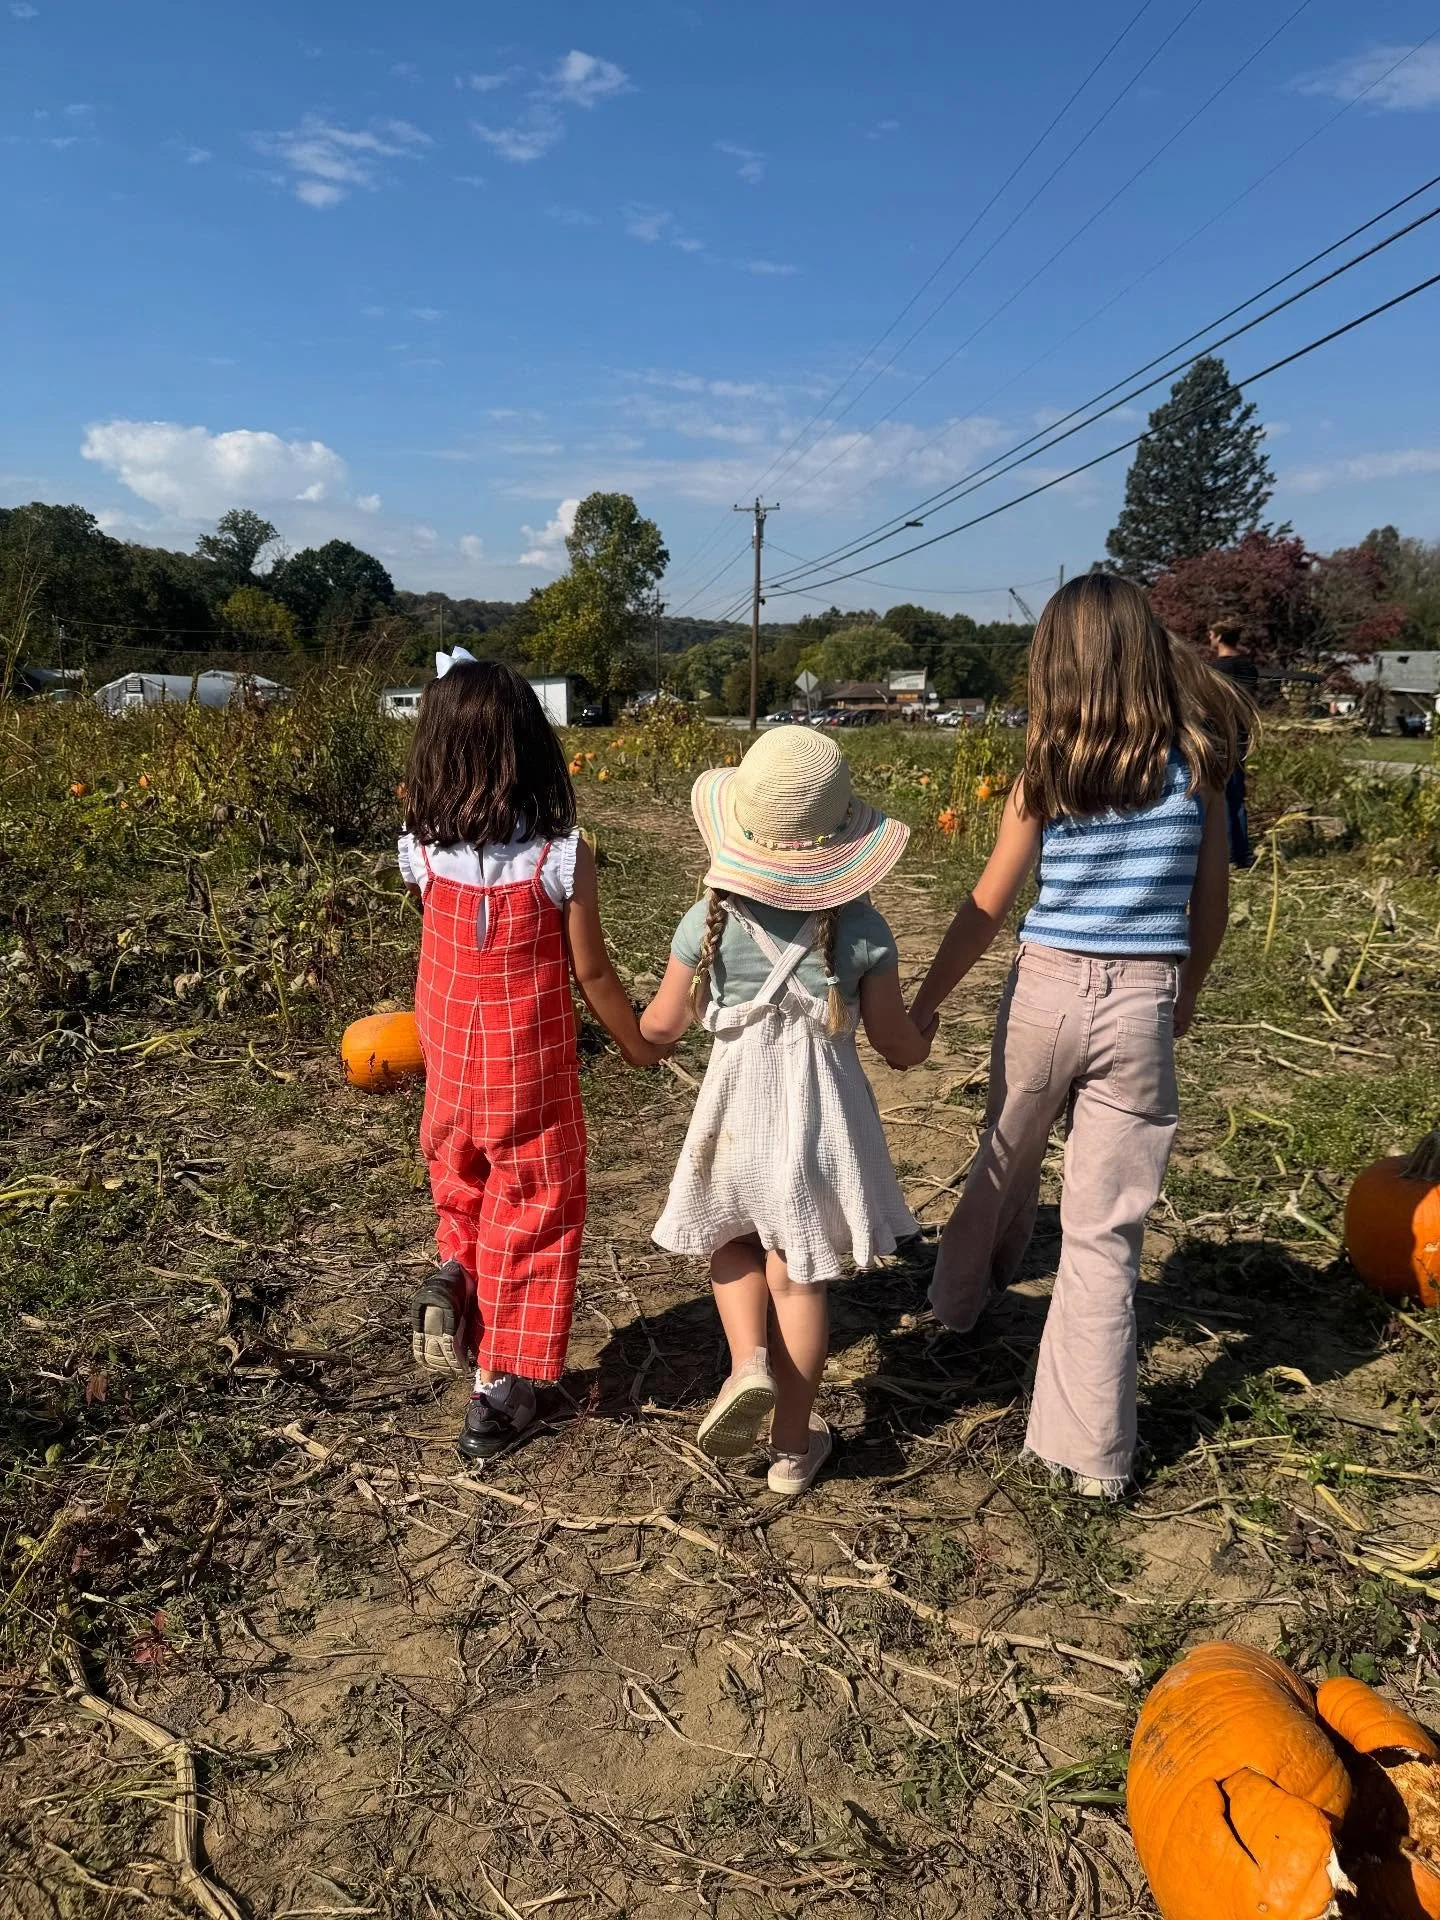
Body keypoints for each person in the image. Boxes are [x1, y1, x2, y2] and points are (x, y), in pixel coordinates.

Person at [908, 574, 1245, 1498]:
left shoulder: (1048, 766)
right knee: (1105, 1231)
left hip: (1046, 992)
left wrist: (930, 997)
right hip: (1143, 997)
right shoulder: (1200, 764)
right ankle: (1088, 1453)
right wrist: (1188, 991)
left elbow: (989, 904)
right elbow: (1209, 906)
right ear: (1148, 652)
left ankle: (955, 1303)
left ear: (1055, 667)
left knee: (1003, 1153)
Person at [640, 728, 935, 1496]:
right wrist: (924, 1032)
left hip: (734, 1117)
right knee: (798, 1277)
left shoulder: (706, 920)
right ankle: (793, 1447)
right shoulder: (864, 930)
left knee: (731, 1241)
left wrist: (622, 1016)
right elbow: (898, 1046)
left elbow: (662, 1027)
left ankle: (746, 1366)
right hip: (817, 1126)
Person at [400, 652, 666, 1460]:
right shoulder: (558, 856)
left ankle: (453, 1268)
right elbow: (591, 972)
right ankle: (497, 1395)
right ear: (531, 749)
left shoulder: (420, 850)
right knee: (536, 1213)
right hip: (529, 1074)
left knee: (464, 1187)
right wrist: (640, 1042)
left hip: (447, 1066)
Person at [1207, 622, 1258, 868]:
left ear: (1217, 637)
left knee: (1220, 795)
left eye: (1211, 634)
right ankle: (1242, 851)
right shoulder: (1248, 667)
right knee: (1236, 795)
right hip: (1241, 733)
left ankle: (1226, 853)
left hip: (1218, 735)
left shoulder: (1215, 669)